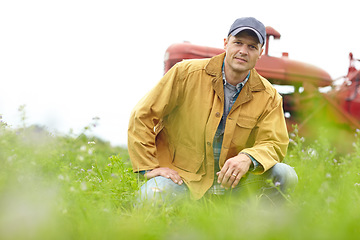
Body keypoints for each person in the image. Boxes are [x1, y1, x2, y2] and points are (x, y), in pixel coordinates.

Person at [128, 17, 298, 204]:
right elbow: (142, 115)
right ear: (226, 43)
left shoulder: (269, 96)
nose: (243, 51)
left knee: (285, 174)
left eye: (252, 46)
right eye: (238, 43)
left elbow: (273, 142)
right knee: (151, 197)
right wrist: (149, 167)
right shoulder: (185, 73)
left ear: (260, 53)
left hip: (234, 185)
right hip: (183, 181)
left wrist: (249, 158)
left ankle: (257, 227)